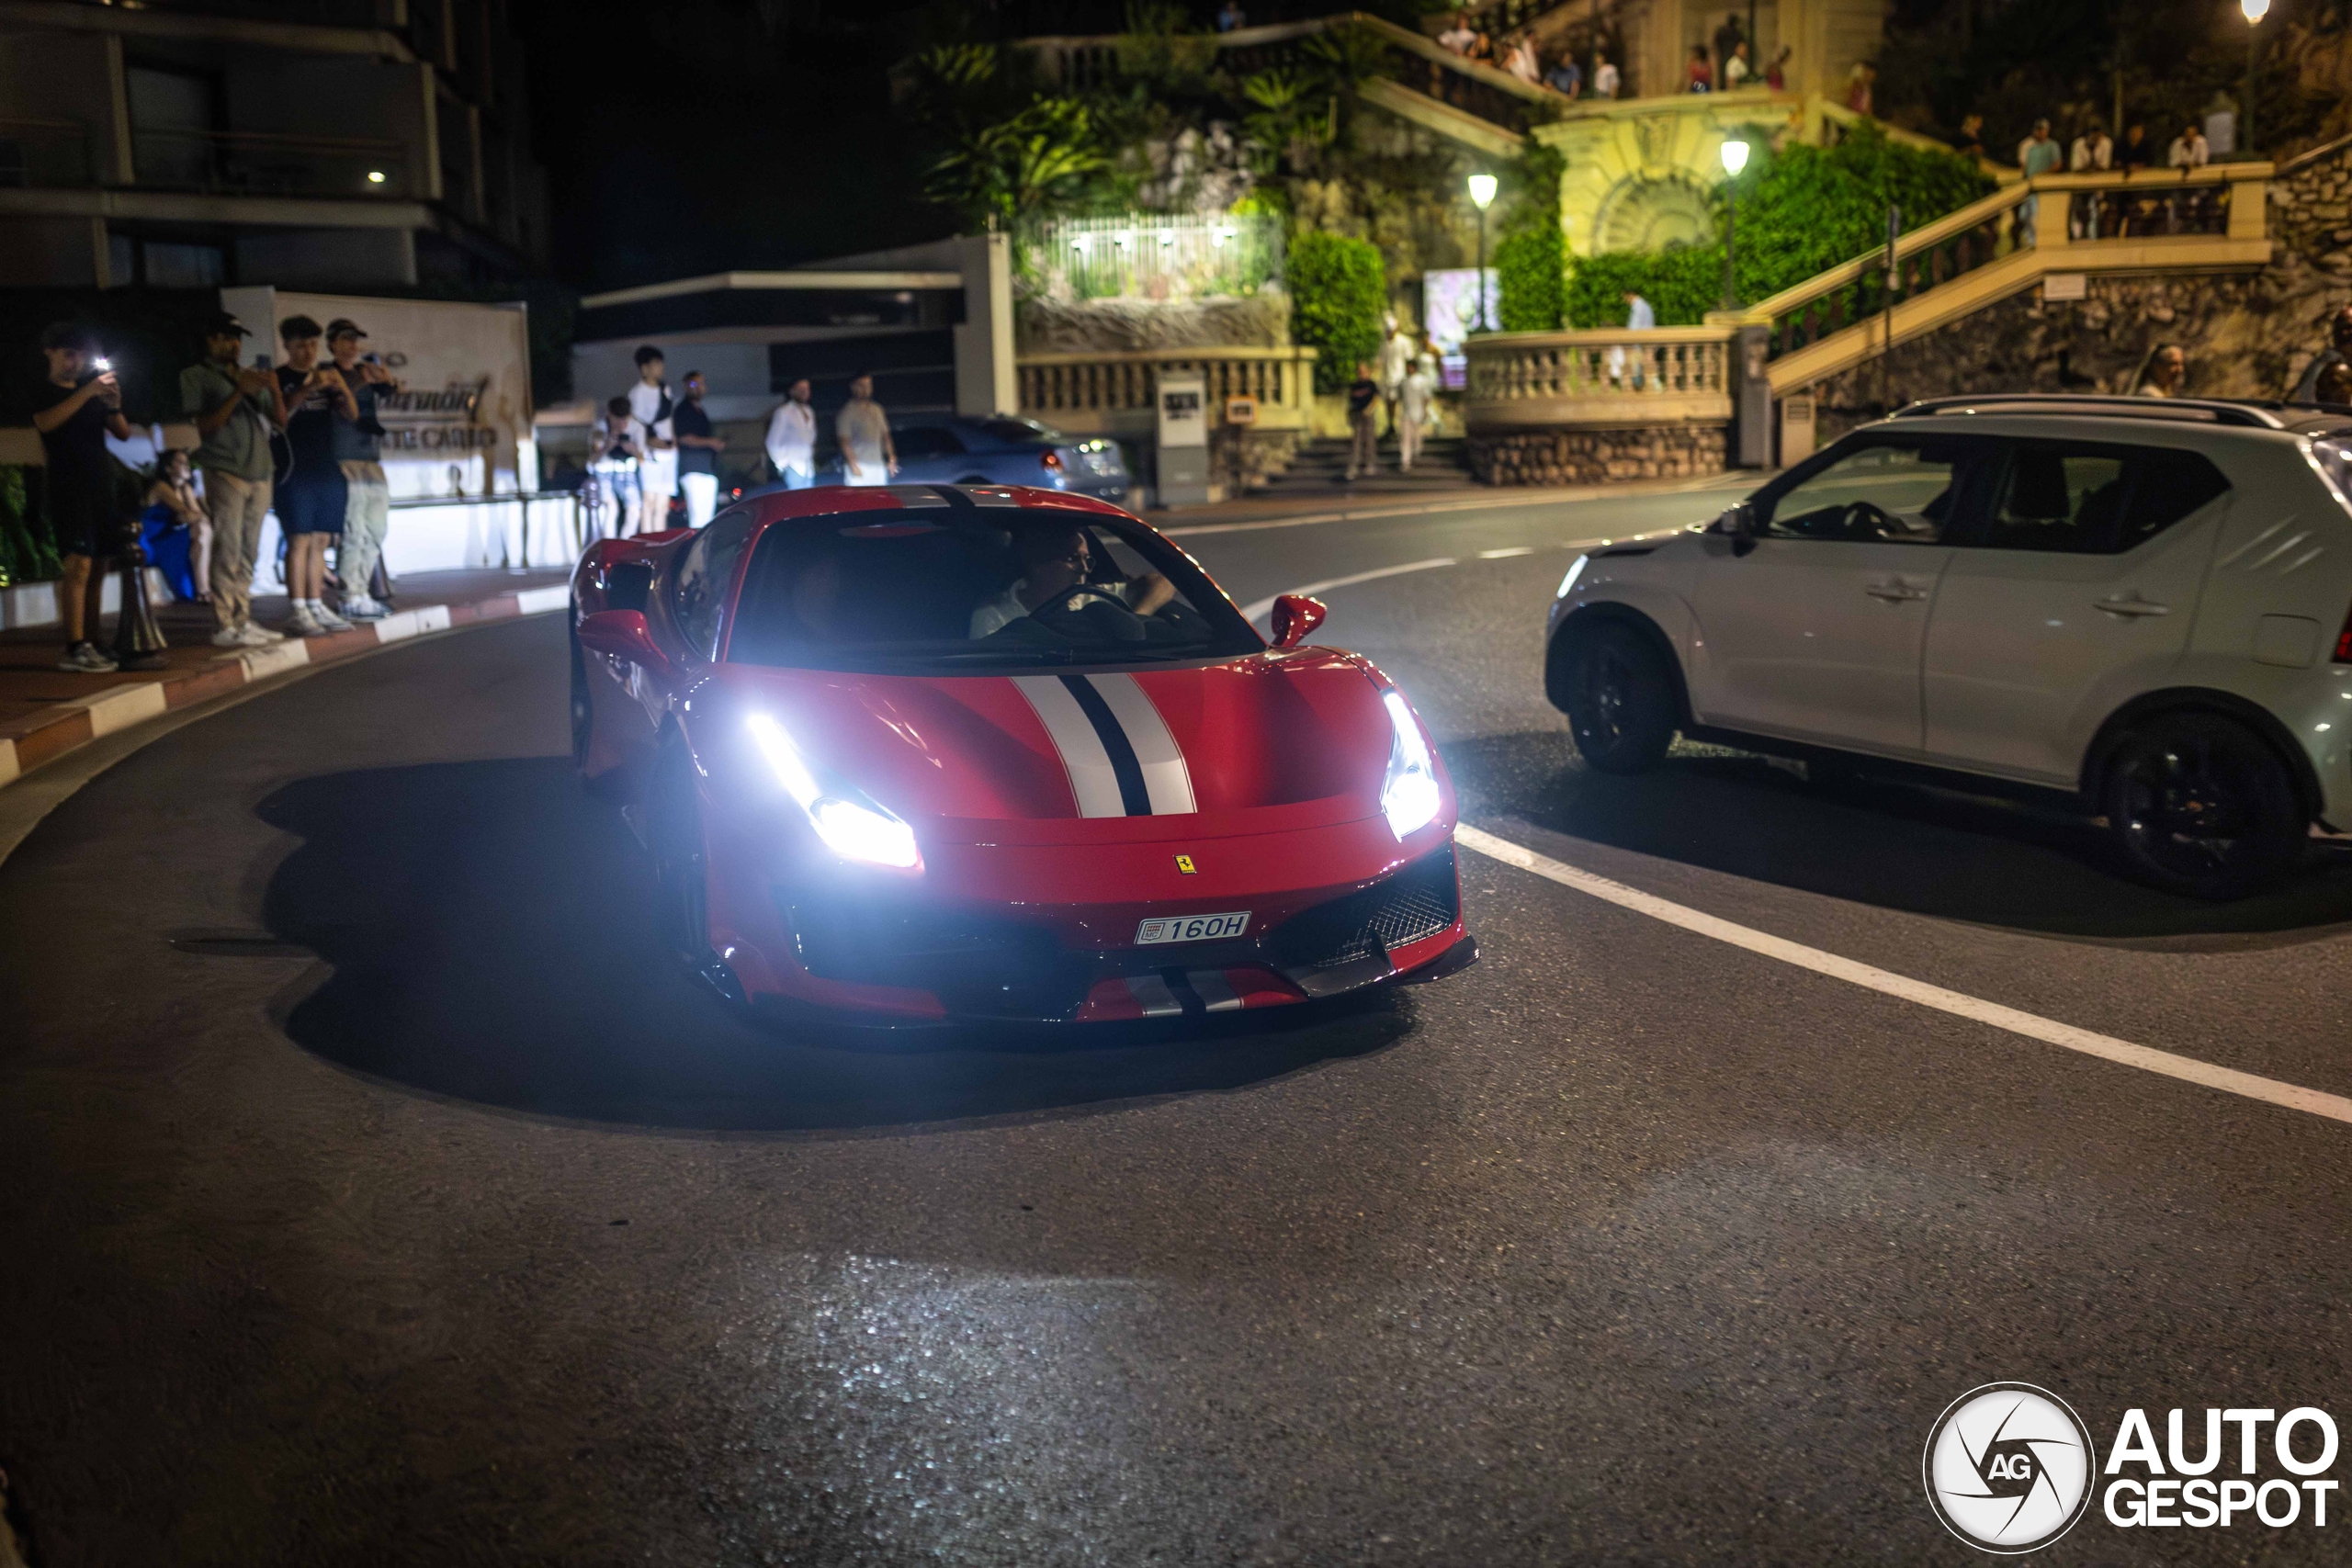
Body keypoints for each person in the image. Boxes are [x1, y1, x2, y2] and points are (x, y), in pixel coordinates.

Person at [180, 310, 286, 648]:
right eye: (226, 337)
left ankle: (243, 619)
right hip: (225, 469)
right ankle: (224, 623)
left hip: (260, 470)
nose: (234, 344)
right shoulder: (196, 375)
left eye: (237, 339)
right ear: (210, 340)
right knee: (228, 547)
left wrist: (273, 389)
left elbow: (281, 421)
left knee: (250, 551)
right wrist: (239, 391)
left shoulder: (249, 376)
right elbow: (205, 427)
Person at [33, 321, 134, 672]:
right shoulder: (46, 391)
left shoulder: (90, 393)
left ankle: (94, 640)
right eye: (68, 354)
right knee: (78, 564)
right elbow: (46, 423)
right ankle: (75, 646)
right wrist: (87, 392)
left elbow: (122, 433)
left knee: (100, 565)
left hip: (100, 486)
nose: (74, 361)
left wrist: (114, 404)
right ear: (51, 353)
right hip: (68, 487)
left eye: (79, 355)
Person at [273, 316, 356, 636]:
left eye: (312, 345)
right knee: (299, 539)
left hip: (326, 466)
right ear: (287, 346)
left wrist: (340, 386)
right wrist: (309, 387)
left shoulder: (326, 375)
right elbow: (279, 416)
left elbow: (351, 414)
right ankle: (297, 608)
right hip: (294, 469)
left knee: (321, 539)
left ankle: (316, 603)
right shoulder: (278, 377)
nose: (307, 351)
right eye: (300, 345)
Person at [969, 523, 1172, 638]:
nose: (1084, 569)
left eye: (1087, 559)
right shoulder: (994, 615)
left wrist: (1137, 619)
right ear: (1039, 564)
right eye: (1073, 559)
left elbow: (1161, 582)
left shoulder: (1090, 597)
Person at [323, 318, 393, 620]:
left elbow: (389, 393)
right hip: (343, 457)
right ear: (332, 344)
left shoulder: (364, 373)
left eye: (356, 340)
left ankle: (362, 591)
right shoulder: (328, 373)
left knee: (377, 528)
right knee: (354, 529)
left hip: (370, 457)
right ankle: (349, 595)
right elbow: (338, 402)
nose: (353, 346)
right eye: (346, 340)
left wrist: (384, 378)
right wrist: (364, 379)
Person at [141, 448, 209, 604]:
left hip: (170, 537)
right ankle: (203, 590)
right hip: (153, 540)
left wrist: (189, 497)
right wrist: (190, 515)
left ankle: (203, 589)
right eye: (181, 462)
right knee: (203, 529)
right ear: (168, 468)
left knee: (204, 529)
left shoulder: (185, 488)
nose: (187, 466)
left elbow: (197, 516)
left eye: (187, 462)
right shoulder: (161, 487)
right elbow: (186, 513)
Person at [628, 345, 678, 529]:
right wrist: (641, 450)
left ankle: (661, 540)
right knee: (648, 501)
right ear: (644, 368)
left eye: (661, 363)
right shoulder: (636, 393)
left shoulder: (665, 390)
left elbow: (668, 419)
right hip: (649, 453)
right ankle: (647, 541)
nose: (660, 368)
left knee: (663, 504)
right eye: (656, 364)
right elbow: (636, 425)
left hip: (668, 451)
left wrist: (673, 442)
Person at [589, 396, 645, 536]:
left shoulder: (637, 427)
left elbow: (642, 461)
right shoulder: (599, 428)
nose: (620, 423)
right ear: (609, 414)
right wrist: (607, 445)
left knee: (634, 509)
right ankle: (609, 546)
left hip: (626, 470)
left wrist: (633, 450)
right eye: (616, 419)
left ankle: (624, 546)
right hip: (604, 470)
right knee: (611, 507)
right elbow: (592, 461)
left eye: (624, 419)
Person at [836, 372, 897, 486]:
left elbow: (885, 435)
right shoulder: (847, 412)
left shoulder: (877, 409)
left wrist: (891, 457)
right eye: (861, 385)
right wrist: (854, 466)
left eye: (868, 385)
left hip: (877, 467)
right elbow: (844, 441)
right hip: (859, 468)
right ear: (853, 387)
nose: (865, 389)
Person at [2289, 305, 2352, 400]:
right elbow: (2309, 402)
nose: (2345, 333)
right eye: (2342, 328)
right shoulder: (2327, 364)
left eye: (2348, 328)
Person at [764, 377, 818, 489]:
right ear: (792, 391)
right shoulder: (784, 411)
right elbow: (772, 441)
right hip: (793, 467)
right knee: (796, 502)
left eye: (807, 389)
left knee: (809, 501)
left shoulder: (809, 411)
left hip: (808, 467)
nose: (804, 392)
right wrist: (782, 463)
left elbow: (810, 436)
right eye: (800, 389)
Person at [2016, 118, 2060, 246]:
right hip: (2029, 186)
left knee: (2037, 214)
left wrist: (2042, 176)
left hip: (2044, 188)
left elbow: (2057, 165)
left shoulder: (2052, 146)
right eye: (2038, 129)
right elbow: (2024, 166)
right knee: (2024, 215)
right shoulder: (2029, 146)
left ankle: (2036, 242)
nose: (2040, 132)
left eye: (2043, 130)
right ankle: (2030, 241)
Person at [1399, 352, 1437, 473]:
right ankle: (1405, 461)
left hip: (1417, 411)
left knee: (1416, 436)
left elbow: (1426, 396)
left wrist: (1425, 410)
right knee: (1406, 438)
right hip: (1406, 412)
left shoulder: (1421, 380)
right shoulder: (1404, 381)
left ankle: (1416, 453)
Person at [1378, 314, 1415, 438]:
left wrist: (1410, 376)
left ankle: (1407, 426)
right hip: (1389, 378)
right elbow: (1381, 361)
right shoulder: (1384, 344)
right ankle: (1391, 425)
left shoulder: (1404, 342)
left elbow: (1409, 360)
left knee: (1405, 403)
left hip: (1401, 377)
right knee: (1390, 402)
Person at [1344, 361, 1380, 481]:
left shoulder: (1371, 384)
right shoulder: (1355, 386)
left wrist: (1369, 409)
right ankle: (1354, 465)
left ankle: (1370, 463)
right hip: (1357, 415)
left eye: (1364, 371)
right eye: (1360, 371)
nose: (1362, 374)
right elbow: (1350, 401)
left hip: (1368, 415)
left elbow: (1376, 398)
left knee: (1370, 439)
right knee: (1356, 441)